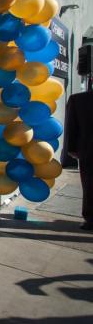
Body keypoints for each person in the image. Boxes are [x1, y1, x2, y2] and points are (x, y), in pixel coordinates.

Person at [64, 90, 93, 230]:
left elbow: (71, 127)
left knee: (89, 186)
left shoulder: (78, 100)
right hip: (87, 151)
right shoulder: (78, 100)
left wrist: (71, 149)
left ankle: (91, 219)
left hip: (88, 151)